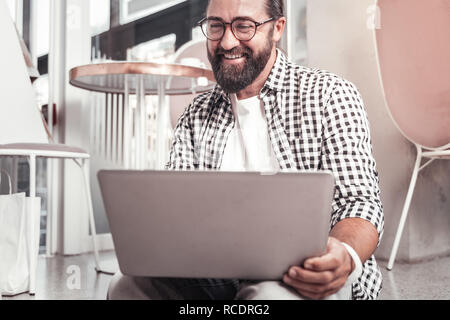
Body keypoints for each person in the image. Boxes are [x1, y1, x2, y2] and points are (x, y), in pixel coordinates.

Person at [108, 0, 384, 300]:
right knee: (125, 285)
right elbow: (177, 214)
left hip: (301, 275)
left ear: (277, 28)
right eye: (216, 26)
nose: (227, 42)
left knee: (267, 297)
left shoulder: (330, 95)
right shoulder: (196, 113)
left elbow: (360, 203)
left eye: (243, 26)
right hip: (211, 275)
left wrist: (342, 256)